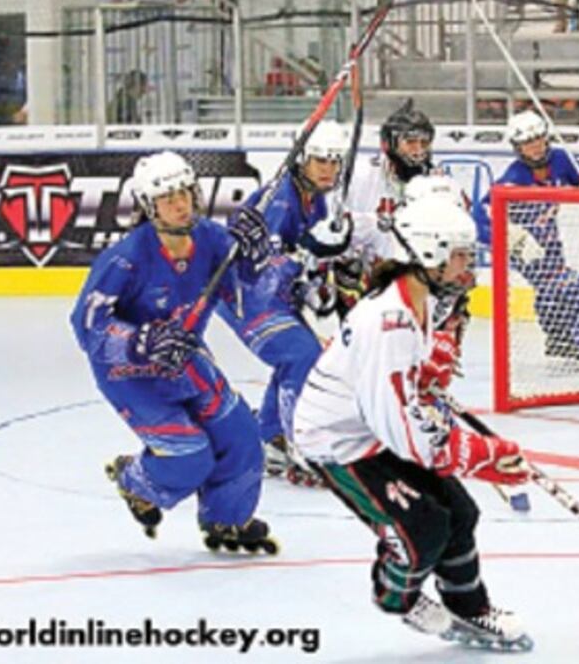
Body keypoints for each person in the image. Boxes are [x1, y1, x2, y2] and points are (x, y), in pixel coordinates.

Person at [292, 195, 534, 652]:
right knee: (421, 531)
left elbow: (401, 400)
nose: (468, 265)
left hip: (369, 430)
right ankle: (394, 595)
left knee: (461, 513)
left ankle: (471, 608)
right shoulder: (390, 322)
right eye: (460, 255)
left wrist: (424, 374)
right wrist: (478, 454)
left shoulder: (417, 300)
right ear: (428, 255)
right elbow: (401, 430)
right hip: (339, 443)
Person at [70, 150, 278, 554]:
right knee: (190, 457)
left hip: (185, 361)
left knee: (243, 436)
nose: (181, 204)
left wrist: (257, 257)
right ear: (149, 206)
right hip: (132, 377)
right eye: (168, 199)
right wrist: (140, 341)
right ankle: (134, 478)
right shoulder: (126, 259)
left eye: (185, 192)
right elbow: (87, 325)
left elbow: (246, 292)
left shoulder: (212, 239)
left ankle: (227, 520)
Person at [216, 120, 353, 487]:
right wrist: (305, 254)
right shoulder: (279, 199)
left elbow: (305, 268)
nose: (329, 169)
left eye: (335, 161)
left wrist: (314, 289)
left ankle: (271, 436)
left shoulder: (318, 201)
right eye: (320, 161)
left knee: (299, 355)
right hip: (246, 295)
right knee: (301, 355)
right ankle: (300, 443)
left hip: (273, 297)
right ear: (302, 161)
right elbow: (264, 268)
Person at [474, 110, 579, 373]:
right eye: (527, 143)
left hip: (551, 243)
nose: (535, 147)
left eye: (539, 139)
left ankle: (559, 339)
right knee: (576, 288)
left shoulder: (561, 159)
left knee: (551, 291)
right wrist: (514, 237)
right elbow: (479, 218)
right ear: (517, 147)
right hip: (527, 250)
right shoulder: (513, 179)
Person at [338, 99, 438, 318]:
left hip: (415, 281)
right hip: (368, 280)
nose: (418, 150)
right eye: (410, 142)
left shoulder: (438, 183)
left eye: (424, 143)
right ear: (388, 144)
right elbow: (340, 229)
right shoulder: (362, 176)